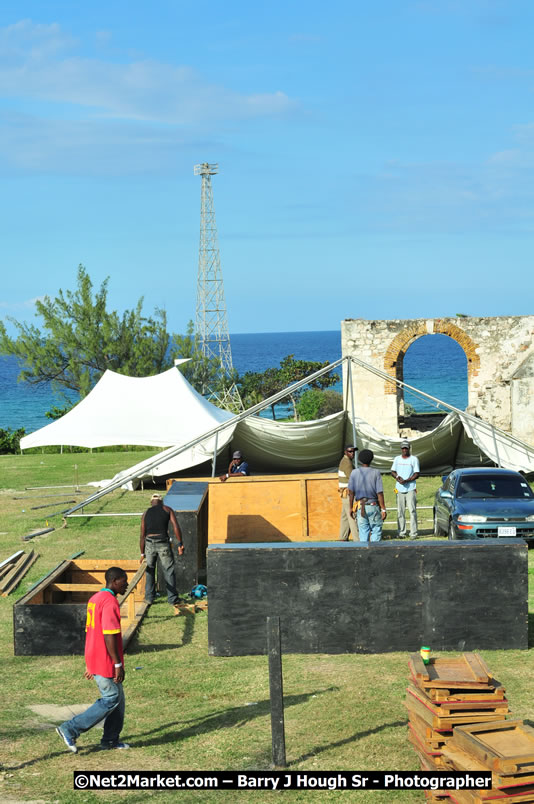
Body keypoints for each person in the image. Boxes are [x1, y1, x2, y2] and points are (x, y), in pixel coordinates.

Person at [56, 566, 130, 753]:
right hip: (106, 661)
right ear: (114, 581)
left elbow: (91, 632)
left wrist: (89, 662)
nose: (127, 584)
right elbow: (108, 635)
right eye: (124, 580)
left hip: (95, 658)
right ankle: (70, 728)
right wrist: (117, 664)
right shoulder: (110, 602)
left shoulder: (95, 599)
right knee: (111, 698)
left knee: (118, 701)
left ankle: (110, 740)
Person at [140, 493, 184, 613]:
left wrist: (142, 554)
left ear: (151, 502)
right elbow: (176, 526)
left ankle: (149, 598)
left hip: (149, 543)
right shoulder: (167, 509)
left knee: (150, 570)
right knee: (168, 570)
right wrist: (180, 543)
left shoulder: (145, 513)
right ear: (162, 501)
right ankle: (172, 599)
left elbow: (142, 535)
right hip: (163, 542)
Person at [348, 449, 387, 542]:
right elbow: (379, 493)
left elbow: (351, 492)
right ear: (372, 459)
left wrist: (350, 508)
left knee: (363, 532)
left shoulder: (354, 473)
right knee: (376, 530)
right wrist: (383, 509)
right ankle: (374, 553)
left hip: (360, 506)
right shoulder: (376, 473)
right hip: (373, 506)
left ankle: (364, 553)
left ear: (360, 460)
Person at [391, 440, 420, 540]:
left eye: (406, 448)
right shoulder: (397, 459)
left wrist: (407, 480)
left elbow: (417, 473)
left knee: (412, 511)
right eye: (403, 448)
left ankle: (413, 533)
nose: (404, 450)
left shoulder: (414, 459)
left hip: (411, 488)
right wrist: (398, 478)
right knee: (400, 512)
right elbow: (393, 471)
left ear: (409, 449)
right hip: (399, 488)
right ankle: (401, 532)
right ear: (401, 449)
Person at [338, 445, 359, 541]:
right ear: (345, 452)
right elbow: (353, 479)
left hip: (344, 493)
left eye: (353, 451)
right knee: (352, 516)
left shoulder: (344, 461)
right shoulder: (347, 463)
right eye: (350, 451)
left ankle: (342, 537)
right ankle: (358, 539)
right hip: (348, 493)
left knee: (345, 517)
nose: (352, 453)